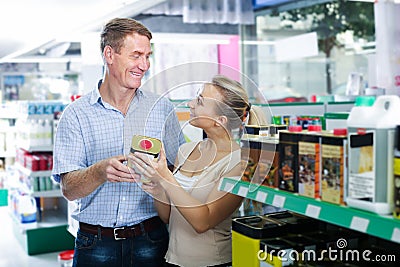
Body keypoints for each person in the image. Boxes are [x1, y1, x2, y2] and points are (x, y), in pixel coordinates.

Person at [52, 18, 185, 267]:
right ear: (109, 54)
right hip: (96, 244)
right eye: (136, 55)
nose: (144, 65)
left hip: (152, 239)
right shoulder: (76, 114)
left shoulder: (161, 108)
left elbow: (181, 171)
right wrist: (100, 171)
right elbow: (69, 190)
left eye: (147, 56)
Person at [130, 74, 264, 267]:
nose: (191, 104)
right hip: (172, 261)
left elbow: (203, 221)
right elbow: (168, 217)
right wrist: (158, 188)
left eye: (200, 101)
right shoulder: (186, 151)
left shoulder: (239, 164)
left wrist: (166, 178)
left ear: (220, 120)